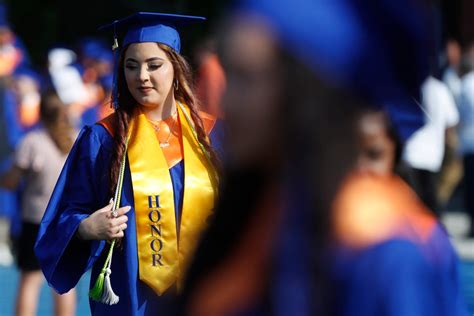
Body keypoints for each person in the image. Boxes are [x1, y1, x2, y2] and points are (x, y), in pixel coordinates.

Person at [183, 0, 469, 315]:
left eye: (246, 79)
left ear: (306, 94)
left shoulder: (387, 250)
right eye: (228, 75)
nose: (227, 101)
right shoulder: (260, 218)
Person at [35, 12, 222, 316]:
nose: (142, 76)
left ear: (176, 67)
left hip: (202, 294)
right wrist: (85, 228)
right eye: (131, 66)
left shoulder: (212, 137)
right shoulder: (103, 140)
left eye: (154, 65)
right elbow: (60, 218)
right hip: (129, 296)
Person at [1, 91, 76, 316]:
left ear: (41, 113)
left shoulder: (32, 142)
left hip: (36, 220)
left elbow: (10, 182)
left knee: (30, 280)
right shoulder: (76, 138)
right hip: (66, 221)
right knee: (63, 284)